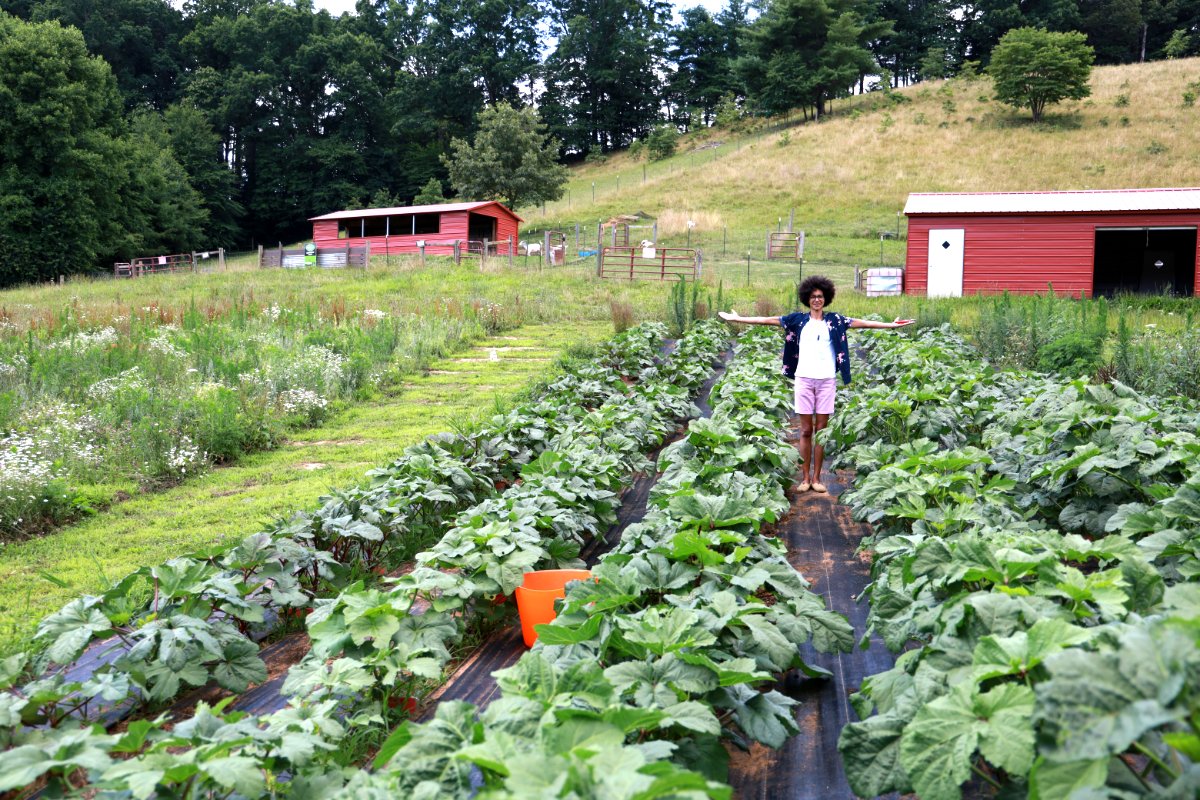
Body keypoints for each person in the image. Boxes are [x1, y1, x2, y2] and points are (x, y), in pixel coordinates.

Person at [717, 275, 913, 493]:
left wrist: (891, 325)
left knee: (821, 430)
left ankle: (818, 478)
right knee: (806, 431)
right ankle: (805, 478)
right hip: (804, 379)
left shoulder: (835, 321)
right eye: (813, 297)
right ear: (807, 299)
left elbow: (863, 323)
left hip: (826, 380)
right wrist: (739, 319)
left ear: (826, 298)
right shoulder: (797, 320)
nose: (817, 300)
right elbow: (768, 319)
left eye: (820, 296)